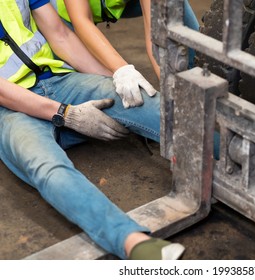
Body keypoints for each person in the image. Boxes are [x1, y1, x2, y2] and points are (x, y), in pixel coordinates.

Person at [0, 0, 184, 260]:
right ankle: (132, 242)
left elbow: (60, 34)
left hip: (58, 79)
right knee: (44, 165)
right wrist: (66, 114)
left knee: (142, 100)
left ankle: (244, 164)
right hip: (10, 108)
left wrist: (114, 79)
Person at [49, 0, 199, 107]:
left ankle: (192, 84)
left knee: (173, 5)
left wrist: (173, 91)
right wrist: (121, 70)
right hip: (66, 11)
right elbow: (81, 19)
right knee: (110, 87)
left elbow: (156, 36)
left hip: (117, 4)